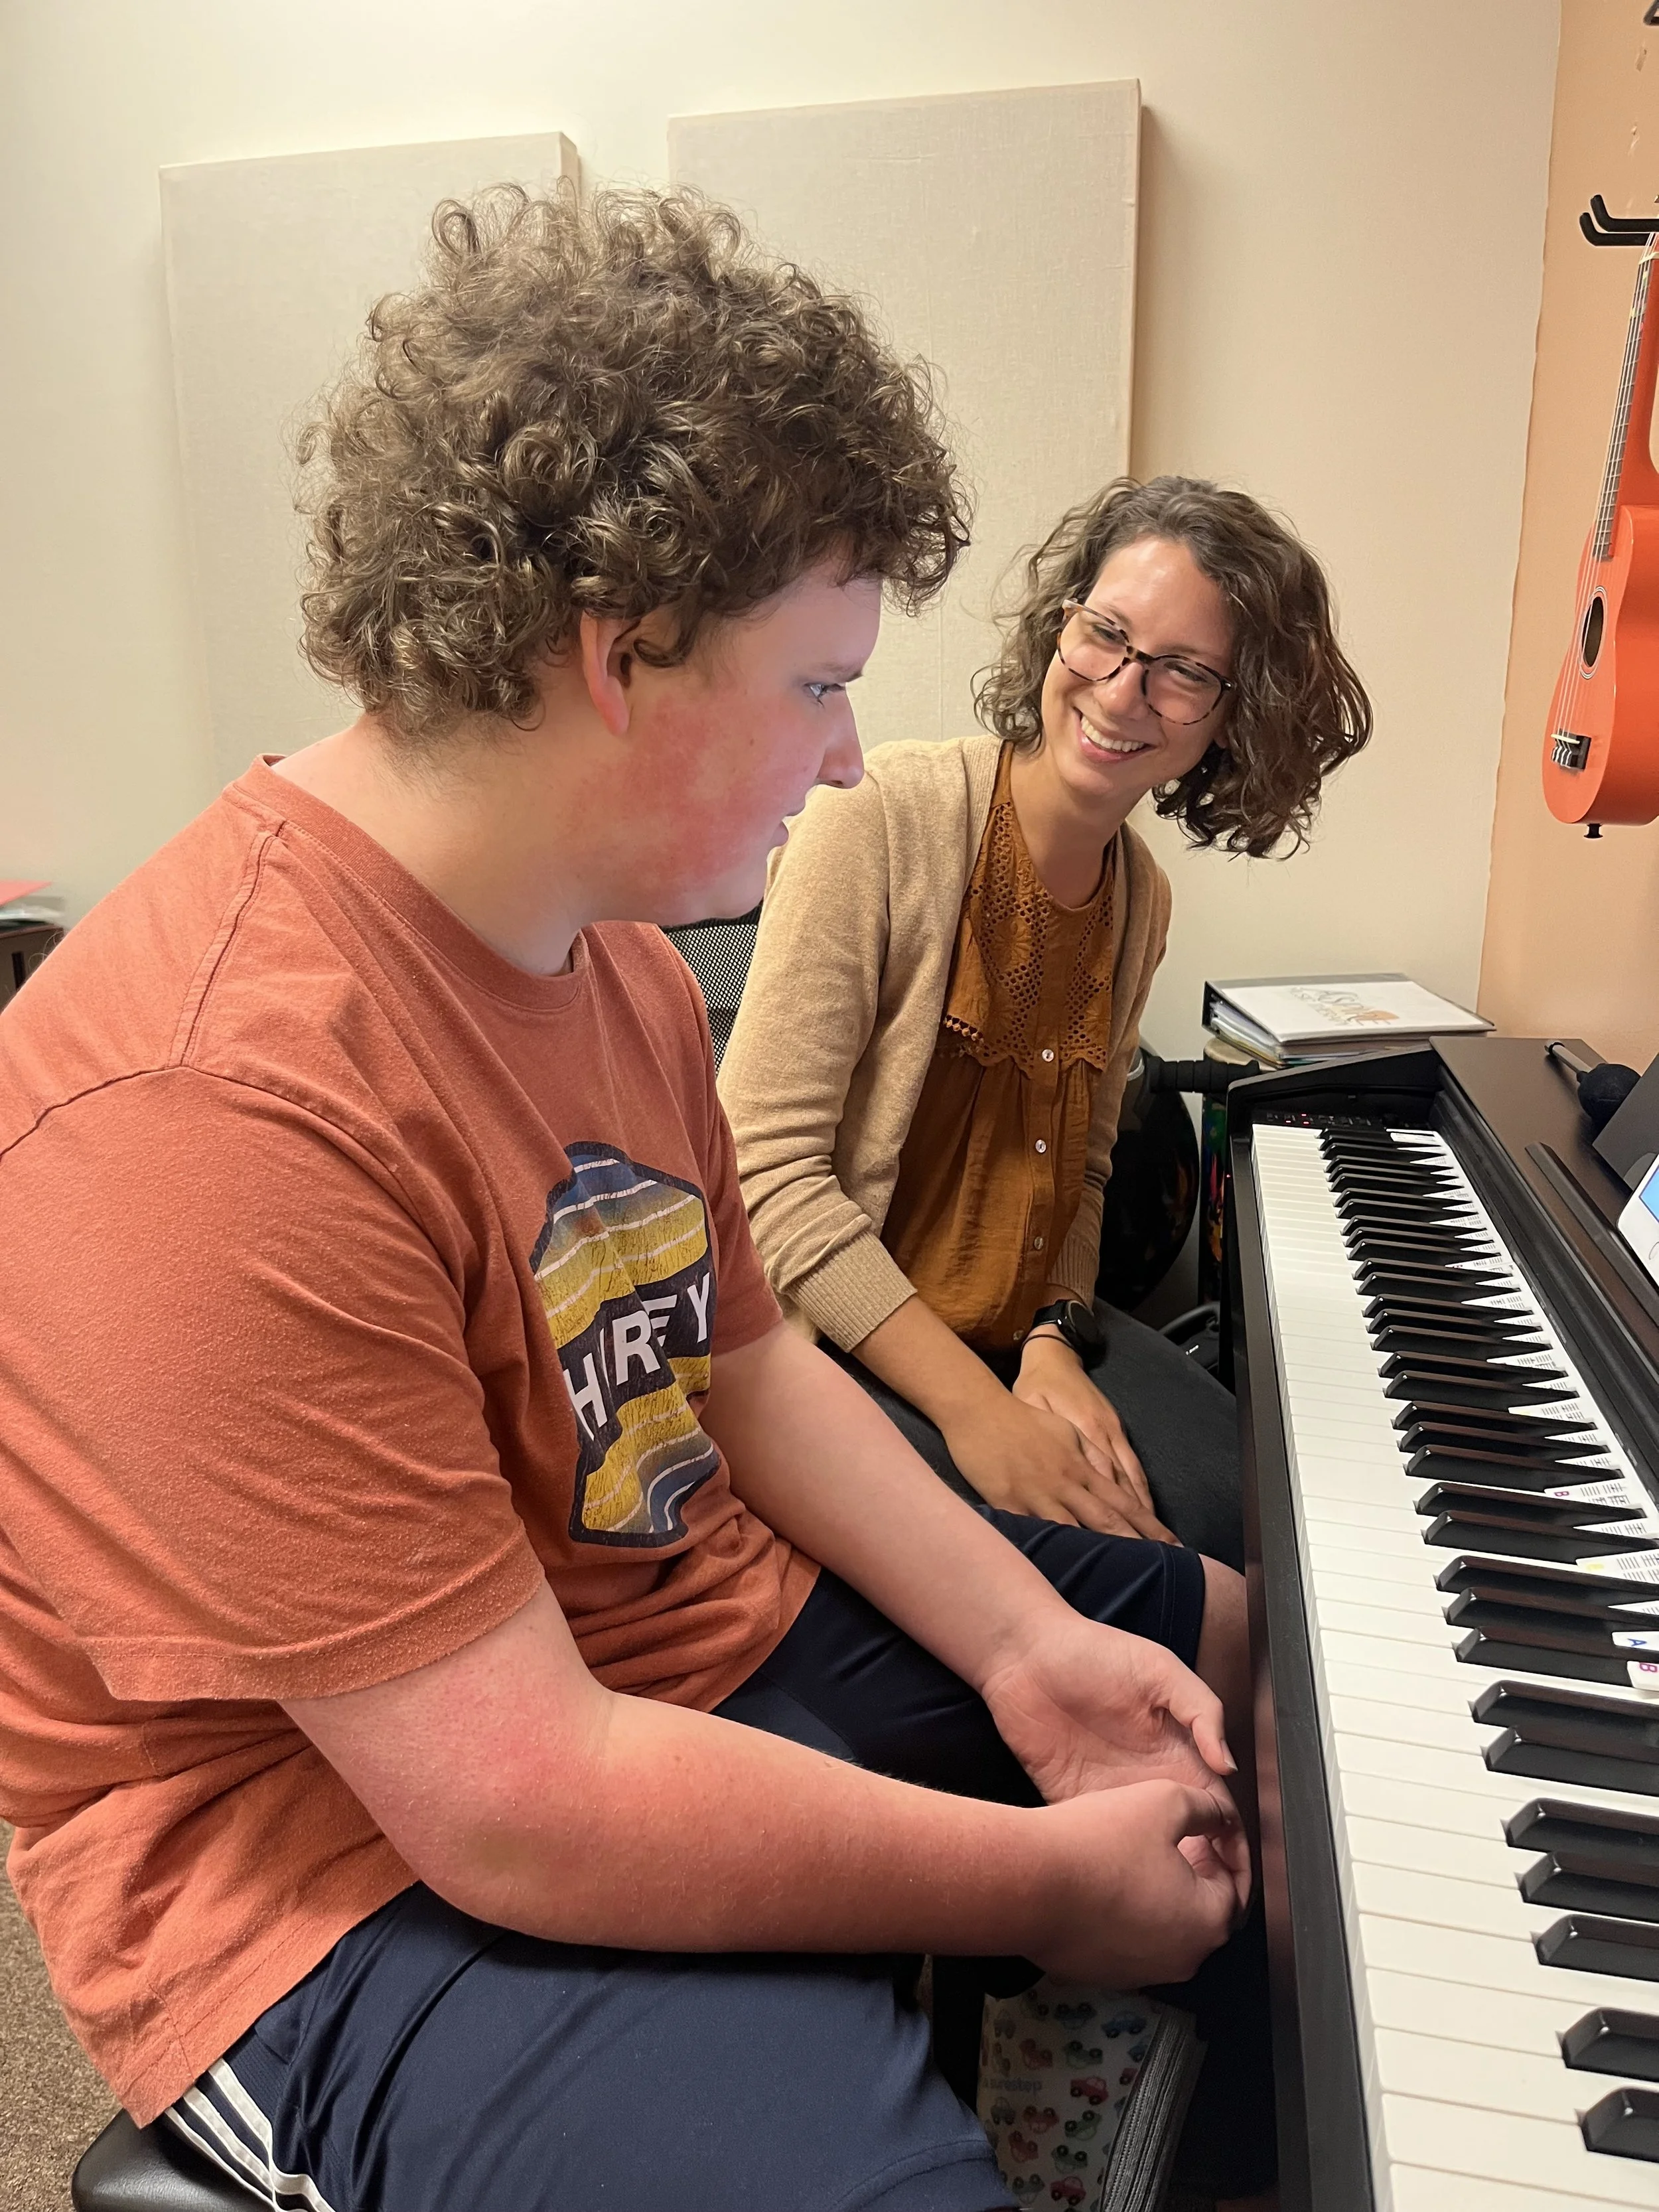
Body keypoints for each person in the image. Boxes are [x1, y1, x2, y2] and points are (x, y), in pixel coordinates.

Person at [0, 186, 1273, 2211]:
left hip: (653, 1636)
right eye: (816, 685)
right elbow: (517, 1806)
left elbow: (748, 1371)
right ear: (622, 655)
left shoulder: (605, 951)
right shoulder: (208, 1097)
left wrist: (1031, 1640)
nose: (849, 763)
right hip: (330, 1877)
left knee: (1226, 1662)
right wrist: (1043, 1883)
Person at [721, 477, 1372, 1572]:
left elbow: (1085, 1168)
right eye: (1106, 634)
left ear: (1232, 716)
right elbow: (764, 1174)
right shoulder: (875, 821)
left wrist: (1054, 1340)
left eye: (1185, 673)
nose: (1123, 692)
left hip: (1013, 1347)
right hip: (832, 1352)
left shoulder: (1142, 899)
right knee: (1151, 1583)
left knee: (1267, 1534)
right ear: (1061, 622)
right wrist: (978, 1411)